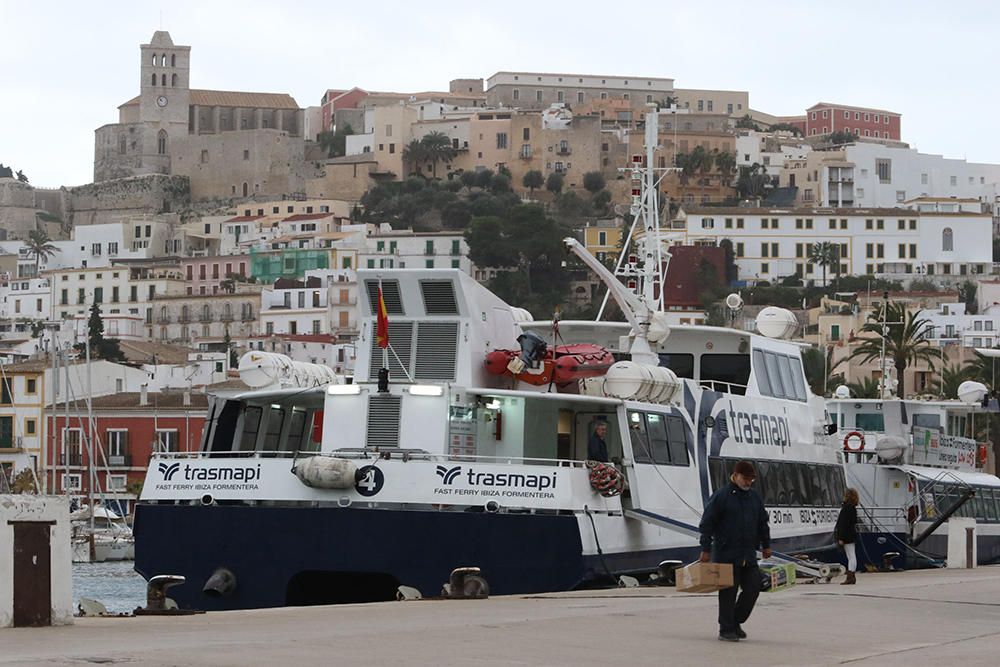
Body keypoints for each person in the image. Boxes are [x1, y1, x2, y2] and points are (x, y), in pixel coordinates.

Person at [698, 460, 771, 642]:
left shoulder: (754, 497)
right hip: (726, 553)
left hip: (748, 554)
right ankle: (726, 629)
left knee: (754, 587)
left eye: (751, 480)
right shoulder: (722, 496)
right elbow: (707, 524)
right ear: (735, 475)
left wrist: (766, 544)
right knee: (728, 593)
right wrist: (705, 548)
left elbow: (763, 523)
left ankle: (735, 620)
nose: (748, 482)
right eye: (745, 479)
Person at [834, 487, 860, 585]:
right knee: (852, 555)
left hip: (846, 536)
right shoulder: (853, 508)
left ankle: (850, 576)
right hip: (851, 535)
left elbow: (842, 524)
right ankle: (851, 575)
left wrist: (840, 538)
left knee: (851, 556)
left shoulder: (846, 508)